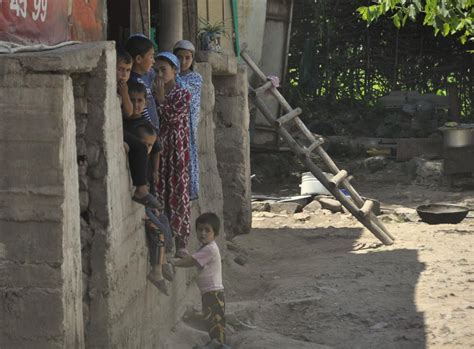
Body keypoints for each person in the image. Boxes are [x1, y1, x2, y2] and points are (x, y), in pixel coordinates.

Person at [153, 51, 192, 258]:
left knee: (178, 194)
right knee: (160, 193)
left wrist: (160, 100)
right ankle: (163, 240)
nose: (159, 74)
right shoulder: (150, 92)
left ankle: (181, 242)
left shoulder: (183, 94)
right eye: (156, 70)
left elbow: (170, 117)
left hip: (177, 152)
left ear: (175, 71)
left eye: (164, 70)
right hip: (160, 152)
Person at [171, 213, 229, 349]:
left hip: (213, 294)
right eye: (200, 229)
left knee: (216, 323)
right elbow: (194, 257)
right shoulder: (205, 248)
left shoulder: (210, 249)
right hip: (210, 293)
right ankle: (215, 344)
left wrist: (175, 263)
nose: (203, 233)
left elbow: (192, 260)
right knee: (211, 321)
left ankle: (220, 345)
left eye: (207, 230)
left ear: (215, 234)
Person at [117, 50, 161, 209]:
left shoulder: (124, 87)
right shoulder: (118, 87)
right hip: (119, 130)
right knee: (140, 147)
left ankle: (142, 189)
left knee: (141, 147)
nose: (123, 74)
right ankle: (141, 190)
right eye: (120, 69)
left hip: (122, 131)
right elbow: (128, 113)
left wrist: (124, 93)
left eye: (127, 70)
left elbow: (128, 111)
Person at [173, 40, 203, 201]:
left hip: (187, 127)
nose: (183, 62)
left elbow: (186, 93)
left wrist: (172, 75)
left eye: (187, 58)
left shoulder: (195, 78)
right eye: (179, 57)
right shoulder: (167, 75)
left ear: (192, 60)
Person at [124, 34, 159, 129]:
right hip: (144, 131)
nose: (154, 61)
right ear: (138, 59)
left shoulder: (142, 80)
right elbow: (142, 112)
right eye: (151, 57)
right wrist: (151, 129)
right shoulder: (135, 82)